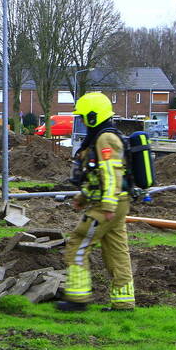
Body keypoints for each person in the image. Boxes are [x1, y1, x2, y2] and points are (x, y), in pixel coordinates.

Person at [56, 92, 136, 312]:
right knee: (116, 252)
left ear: (94, 116)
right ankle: (123, 302)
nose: (81, 122)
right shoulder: (102, 137)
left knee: (78, 242)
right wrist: (83, 197)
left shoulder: (105, 139)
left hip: (107, 205)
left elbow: (111, 174)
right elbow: (96, 175)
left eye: (83, 117)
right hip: (117, 202)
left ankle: (77, 298)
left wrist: (108, 206)